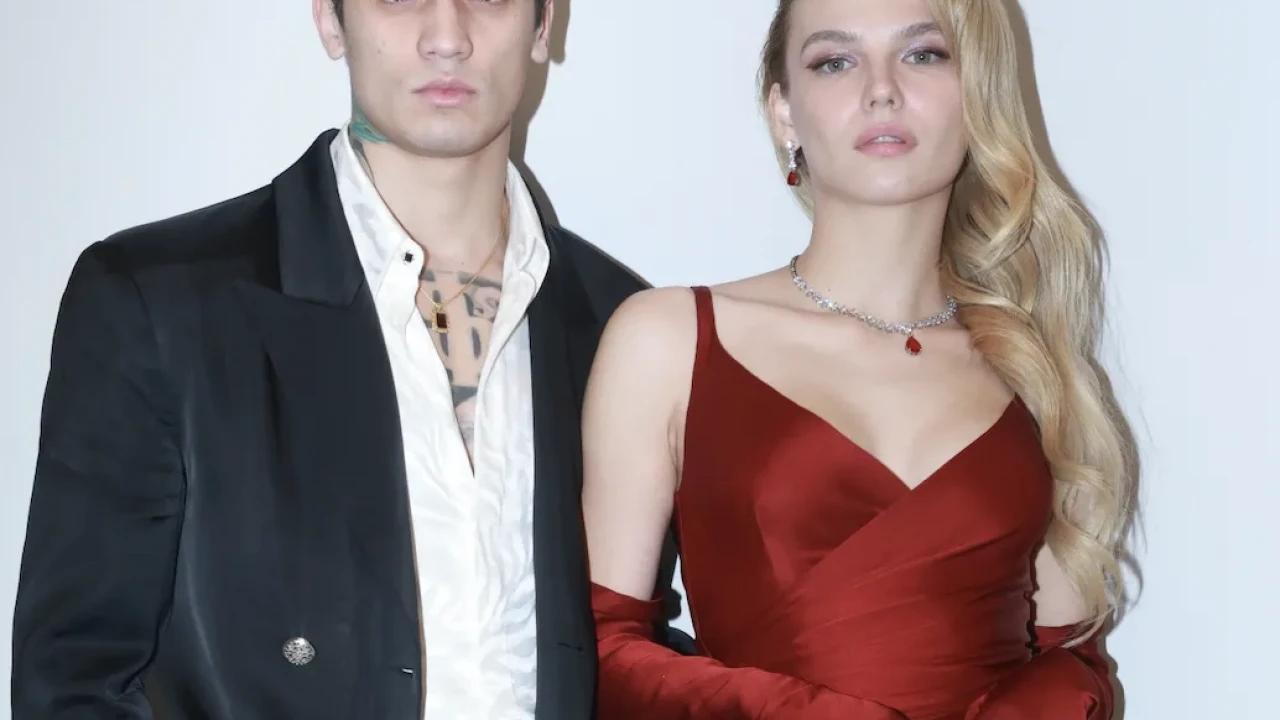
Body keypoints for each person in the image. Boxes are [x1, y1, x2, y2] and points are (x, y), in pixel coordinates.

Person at [11, 1, 645, 718]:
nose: (447, 37)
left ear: (542, 22)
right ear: (330, 20)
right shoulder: (157, 304)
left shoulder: (624, 328)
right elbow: (73, 684)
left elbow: (633, 659)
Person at [582, 0, 1137, 717]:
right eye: (835, 61)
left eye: (923, 54)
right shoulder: (669, 339)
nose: (881, 89)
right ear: (784, 114)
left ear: (978, 93)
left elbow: (1073, 660)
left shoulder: (1030, 364)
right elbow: (601, 650)